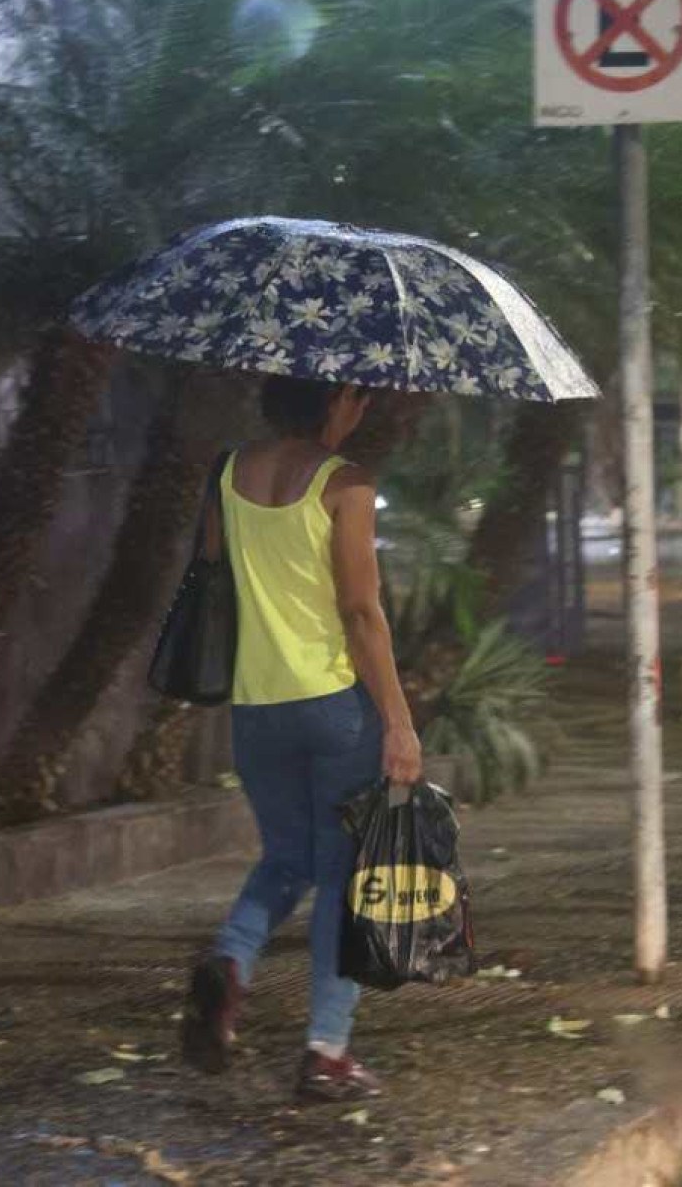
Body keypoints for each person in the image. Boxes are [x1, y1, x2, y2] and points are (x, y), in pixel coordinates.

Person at [178, 377, 423, 1103]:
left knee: (286, 859)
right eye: (357, 396)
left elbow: (213, 568)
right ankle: (326, 1051)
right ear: (336, 402)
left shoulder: (225, 472)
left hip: (256, 707)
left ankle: (230, 961)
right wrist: (400, 722)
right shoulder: (346, 484)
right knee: (342, 880)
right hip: (333, 706)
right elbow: (360, 610)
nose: (362, 408)